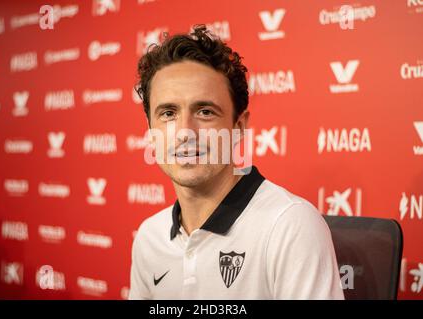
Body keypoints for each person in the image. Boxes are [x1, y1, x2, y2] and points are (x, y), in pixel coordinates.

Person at [128, 25, 344, 299]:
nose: (185, 132)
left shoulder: (290, 226)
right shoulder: (149, 237)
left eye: (205, 111)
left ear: (238, 127)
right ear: (150, 131)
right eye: (168, 113)